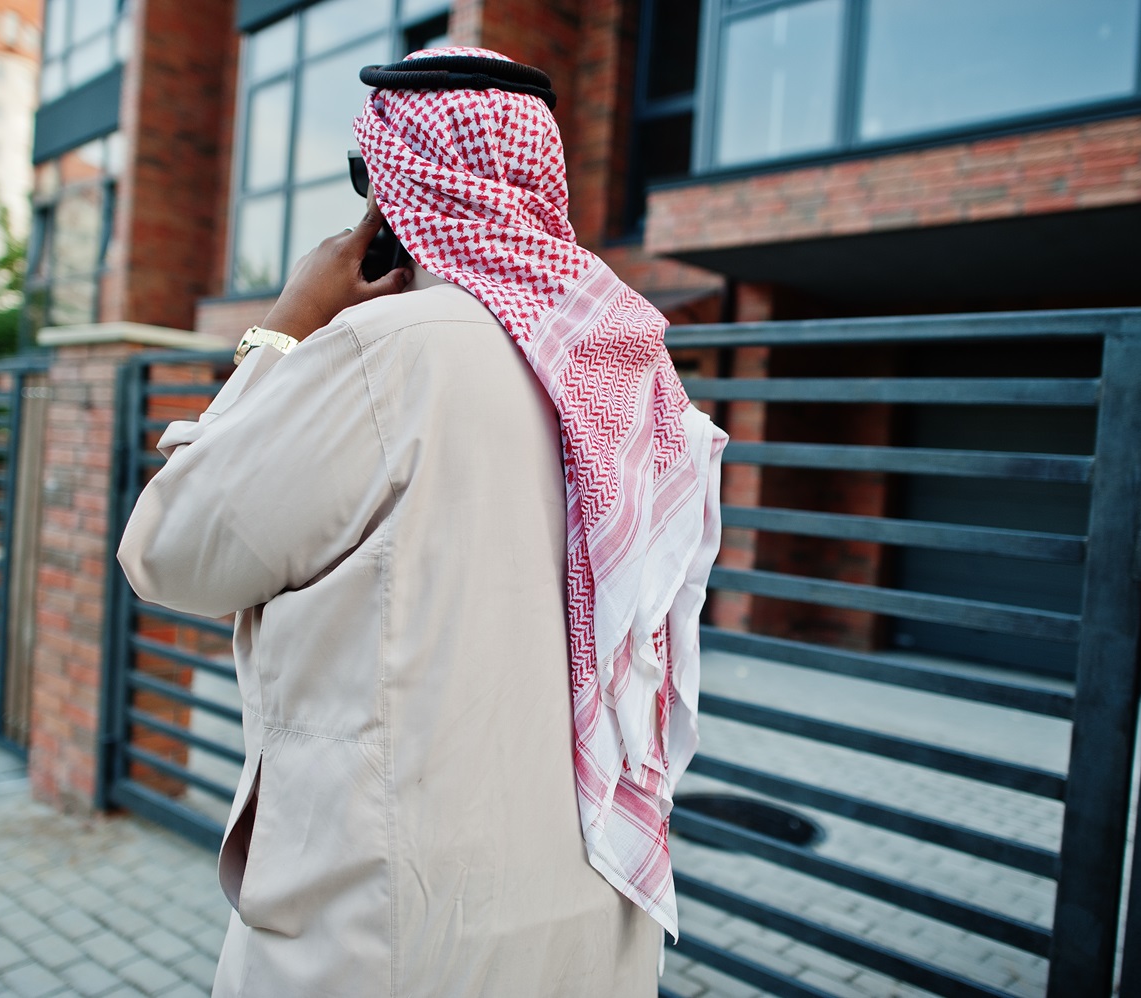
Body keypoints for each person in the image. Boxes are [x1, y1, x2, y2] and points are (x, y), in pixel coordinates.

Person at [117, 46, 726, 997]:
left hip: (392, 928)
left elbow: (169, 552)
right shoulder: (629, 366)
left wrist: (282, 330)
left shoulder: (384, 352)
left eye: (368, 176)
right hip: (587, 918)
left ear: (393, 196)